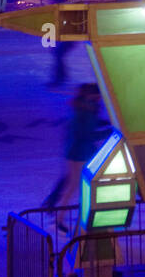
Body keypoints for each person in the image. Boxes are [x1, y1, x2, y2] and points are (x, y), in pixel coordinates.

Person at [43, 84, 110, 217]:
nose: (100, 98)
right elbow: (85, 133)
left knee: (72, 182)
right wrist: (108, 132)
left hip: (78, 150)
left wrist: (105, 124)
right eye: (98, 95)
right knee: (76, 184)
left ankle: (57, 210)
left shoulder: (86, 107)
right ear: (91, 95)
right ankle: (63, 215)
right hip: (79, 152)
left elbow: (89, 125)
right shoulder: (85, 109)